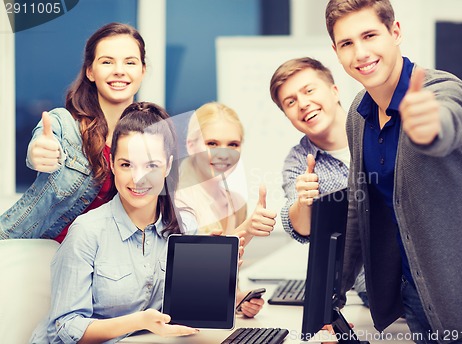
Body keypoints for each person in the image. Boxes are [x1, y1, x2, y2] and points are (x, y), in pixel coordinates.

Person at [325, 0, 462, 343]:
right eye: (347, 43)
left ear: (395, 32)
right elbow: (357, 212)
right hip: (417, 301)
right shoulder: (358, 116)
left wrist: (428, 127)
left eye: (370, 35)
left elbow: (446, 119)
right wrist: (331, 297)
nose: (360, 53)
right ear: (336, 50)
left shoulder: (444, 90)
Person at [29, 102, 200, 344]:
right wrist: (139, 321)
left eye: (151, 165)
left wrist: (228, 291)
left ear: (168, 166)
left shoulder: (186, 227)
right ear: (112, 165)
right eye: (126, 164)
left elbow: (189, 308)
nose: (138, 178)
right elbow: (66, 329)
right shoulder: (87, 231)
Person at [0, 22, 146, 242]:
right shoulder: (64, 124)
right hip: (40, 255)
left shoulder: (150, 138)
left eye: (130, 62)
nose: (119, 70)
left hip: (105, 267)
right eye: (107, 61)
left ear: (142, 71)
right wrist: (39, 153)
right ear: (90, 71)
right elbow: (42, 142)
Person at [269, 57, 369, 307]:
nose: (303, 104)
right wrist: (304, 202)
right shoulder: (299, 161)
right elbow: (303, 229)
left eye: (309, 90)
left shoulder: (378, 129)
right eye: (290, 102)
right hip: (370, 290)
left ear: (334, 92)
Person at [176, 102, 277, 318]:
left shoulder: (235, 202)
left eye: (233, 144)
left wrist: (237, 299)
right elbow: (189, 285)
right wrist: (247, 229)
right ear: (191, 145)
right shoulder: (175, 202)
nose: (224, 154)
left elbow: (219, 284)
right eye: (212, 143)